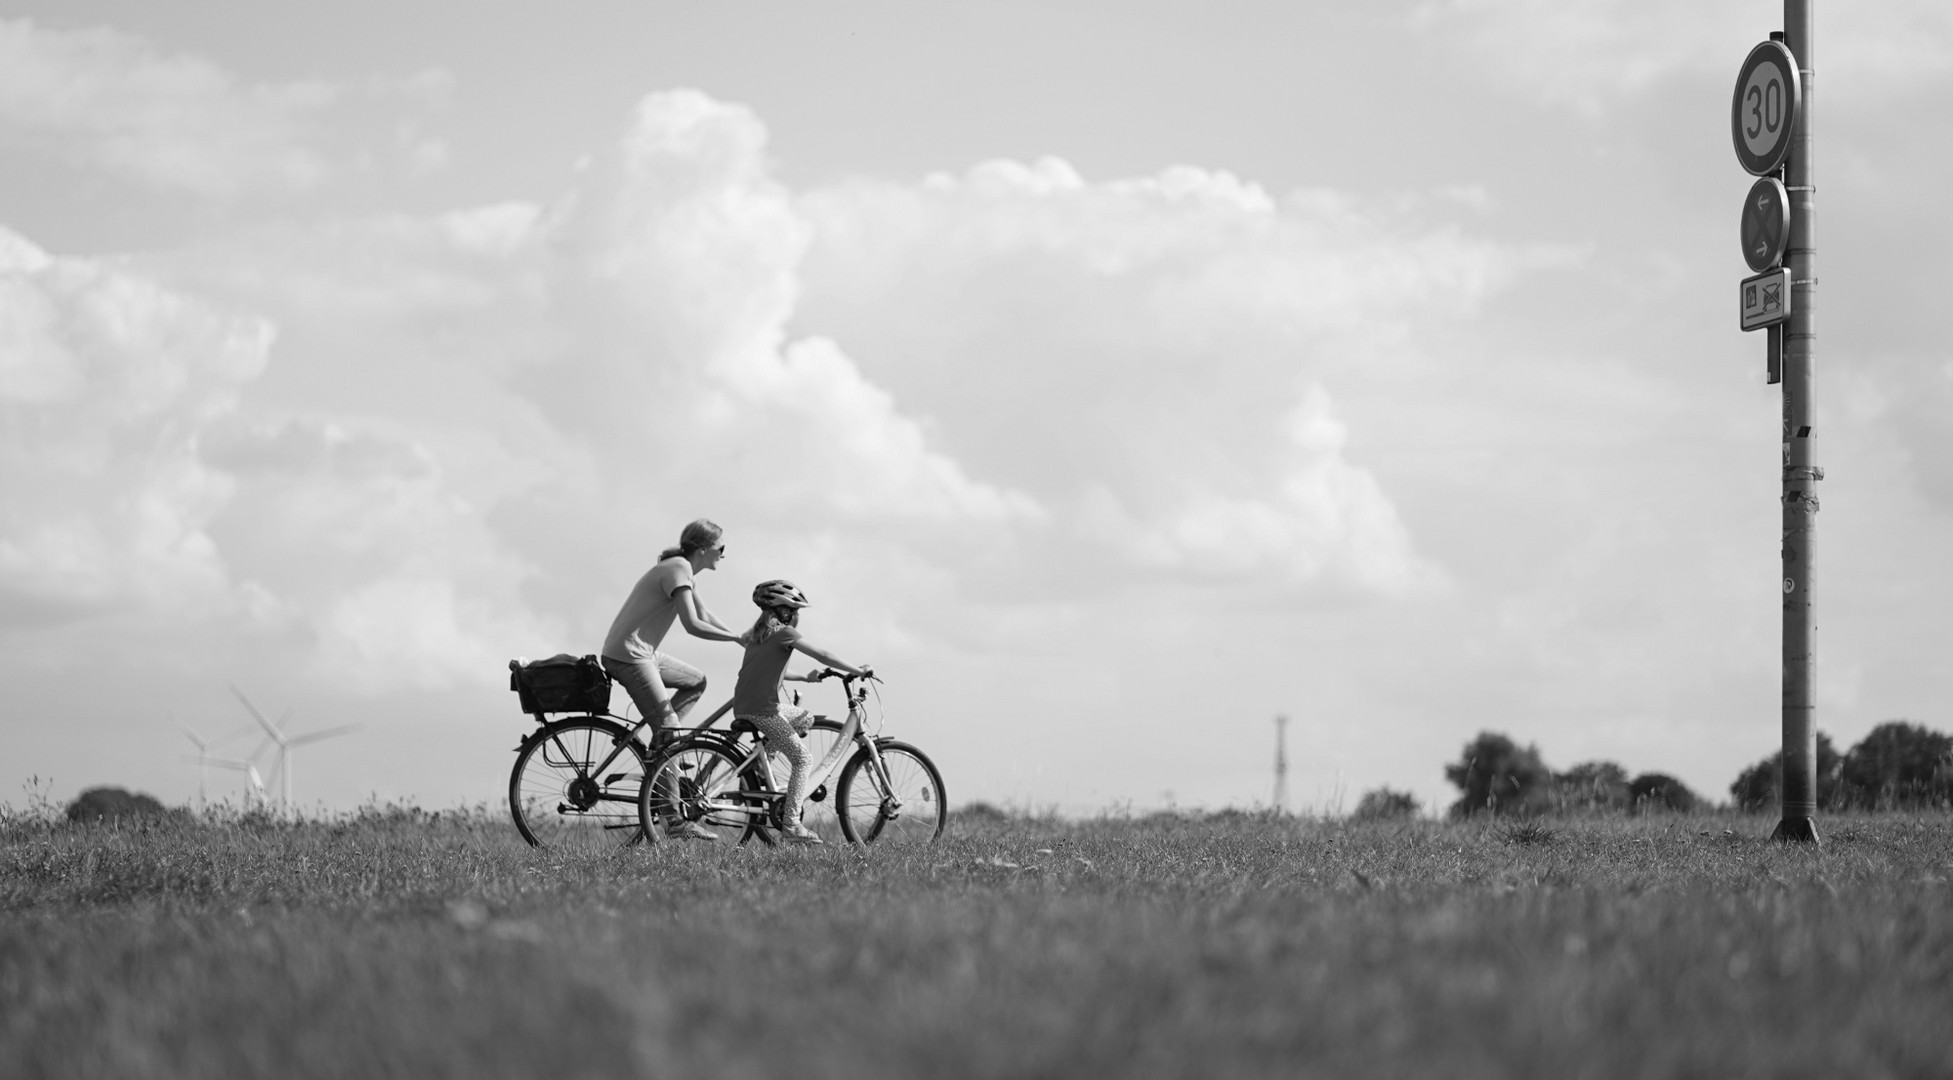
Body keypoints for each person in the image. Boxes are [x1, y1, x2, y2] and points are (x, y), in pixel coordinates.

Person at [733, 579, 871, 845]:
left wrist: (806, 678)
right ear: (783, 611)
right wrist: (857, 670)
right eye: (794, 611)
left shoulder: (759, 634)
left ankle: (762, 764)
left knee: (804, 717)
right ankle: (792, 825)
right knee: (803, 759)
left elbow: (771, 674)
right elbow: (822, 654)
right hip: (763, 710)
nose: (796, 617)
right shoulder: (784, 632)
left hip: (748, 704)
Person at [601, 518, 743, 739]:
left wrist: (739, 639)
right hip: (629, 657)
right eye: (721, 548)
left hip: (639, 653)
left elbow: (705, 614)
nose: (723, 555)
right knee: (669, 725)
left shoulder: (682, 568)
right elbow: (693, 625)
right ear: (703, 549)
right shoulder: (679, 568)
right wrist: (733, 637)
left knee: (696, 682)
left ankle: (664, 744)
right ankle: (668, 744)